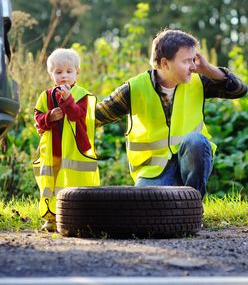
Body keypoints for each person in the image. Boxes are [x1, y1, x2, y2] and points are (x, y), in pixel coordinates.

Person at [95, 29, 247, 198]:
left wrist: (208, 68)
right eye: (186, 61)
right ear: (165, 63)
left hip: (189, 162)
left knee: (196, 140)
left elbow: (240, 90)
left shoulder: (198, 80)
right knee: (146, 211)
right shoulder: (134, 88)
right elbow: (97, 116)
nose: (192, 66)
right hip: (153, 172)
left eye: (193, 60)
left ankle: (194, 204)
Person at [33, 48, 100, 232]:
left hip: (75, 150)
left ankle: (79, 217)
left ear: (77, 72)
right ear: (51, 74)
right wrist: (49, 117)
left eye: (69, 71)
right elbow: (37, 119)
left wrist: (68, 99)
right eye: (58, 72)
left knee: (74, 183)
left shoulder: (82, 95)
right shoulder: (45, 96)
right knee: (51, 185)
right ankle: (51, 218)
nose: (64, 76)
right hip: (53, 151)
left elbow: (76, 115)